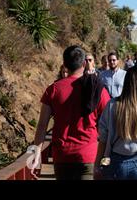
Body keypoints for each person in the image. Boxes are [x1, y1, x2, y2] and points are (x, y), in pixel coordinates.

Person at [32, 46, 111, 180]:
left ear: (64, 65)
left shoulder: (53, 90)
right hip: (89, 154)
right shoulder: (97, 89)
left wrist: (36, 153)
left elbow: (42, 125)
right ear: (84, 64)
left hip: (62, 156)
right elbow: (109, 121)